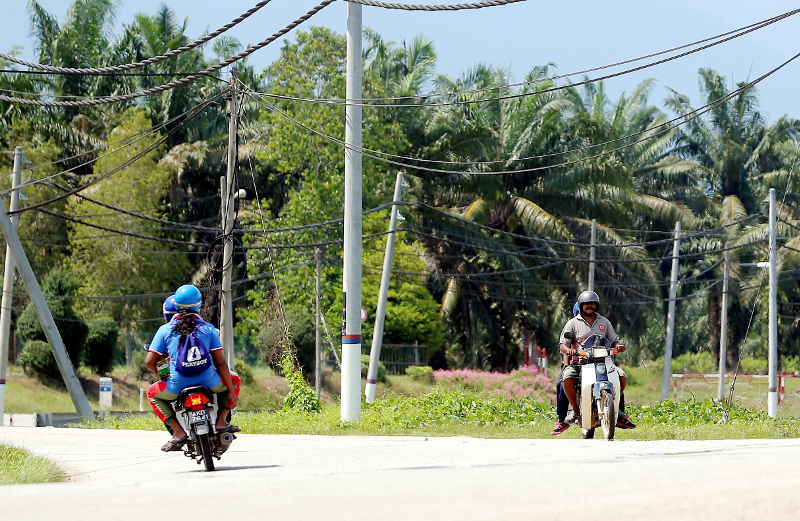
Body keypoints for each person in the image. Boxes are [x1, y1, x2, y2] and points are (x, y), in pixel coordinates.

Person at [146, 285, 239, 452]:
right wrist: (231, 391)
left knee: (152, 394)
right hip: (209, 381)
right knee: (234, 379)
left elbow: (149, 361)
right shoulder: (208, 328)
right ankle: (221, 421)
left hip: (176, 385)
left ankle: (178, 432)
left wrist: (162, 374)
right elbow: (221, 364)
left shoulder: (165, 330)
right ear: (199, 305)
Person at [550, 291, 636, 435]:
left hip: (603, 360)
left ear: (597, 305)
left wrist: (618, 346)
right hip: (579, 362)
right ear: (581, 305)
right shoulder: (573, 323)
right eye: (586, 304)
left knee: (620, 376)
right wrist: (569, 351)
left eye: (592, 303)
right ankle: (573, 413)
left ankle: (618, 412)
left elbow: (614, 340)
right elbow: (563, 345)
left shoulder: (604, 322)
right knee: (567, 378)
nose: (589, 306)